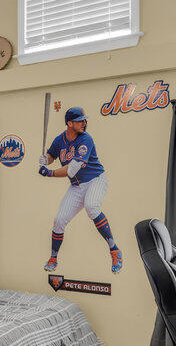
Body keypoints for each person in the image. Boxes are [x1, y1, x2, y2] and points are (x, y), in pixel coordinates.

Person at [38, 106, 122, 274]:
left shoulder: (85, 139)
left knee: (92, 207)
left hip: (95, 180)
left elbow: (71, 170)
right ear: (69, 123)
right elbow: (52, 155)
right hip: (76, 186)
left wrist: (49, 173)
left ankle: (114, 250)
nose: (84, 122)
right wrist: (45, 159)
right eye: (79, 120)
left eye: (84, 120)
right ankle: (54, 257)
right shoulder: (59, 140)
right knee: (59, 220)